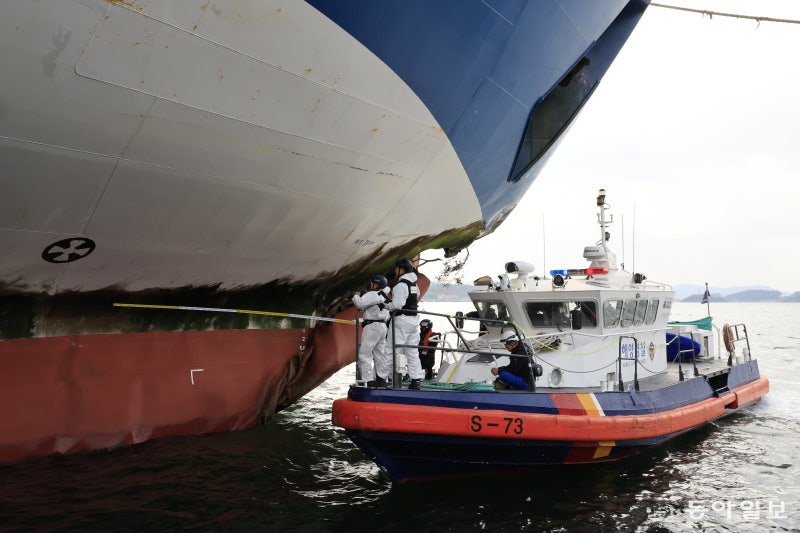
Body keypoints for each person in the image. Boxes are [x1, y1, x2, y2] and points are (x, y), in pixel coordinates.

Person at [384, 258, 424, 389]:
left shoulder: (400, 285)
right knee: (412, 352)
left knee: (391, 350)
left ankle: (381, 378)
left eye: (397, 268)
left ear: (402, 269)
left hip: (401, 320)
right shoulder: (414, 285)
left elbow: (397, 305)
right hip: (413, 321)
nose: (395, 271)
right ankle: (416, 380)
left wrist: (386, 305)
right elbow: (414, 298)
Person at [352, 275, 391, 388]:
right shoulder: (385, 296)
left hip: (372, 326)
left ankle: (367, 380)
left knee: (365, 353)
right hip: (383, 326)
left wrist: (356, 295)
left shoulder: (373, 294)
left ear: (376, 284)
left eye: (372, 283)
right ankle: (381, 379)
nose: (370, 285)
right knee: (379, 354)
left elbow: (360, 304)